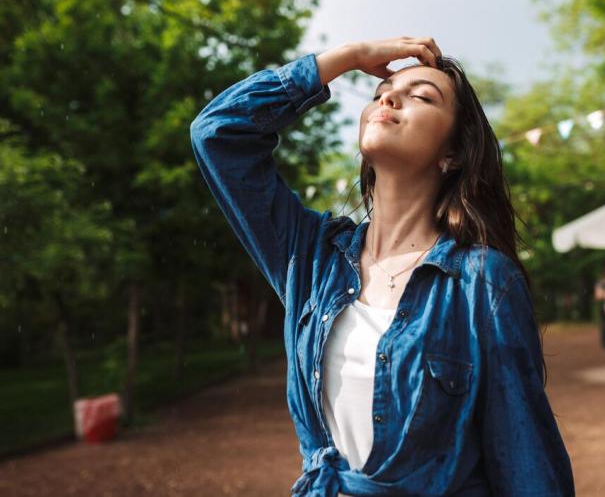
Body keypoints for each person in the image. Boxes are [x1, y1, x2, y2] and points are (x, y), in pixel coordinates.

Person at [190, 37, 574, 496]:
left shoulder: (482, 281)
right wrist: (348, 58)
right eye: (381, 92)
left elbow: (526, 461)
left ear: (451, 155)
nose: (388, 97)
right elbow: (217, 133)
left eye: (421, 97)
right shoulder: (311, 258)